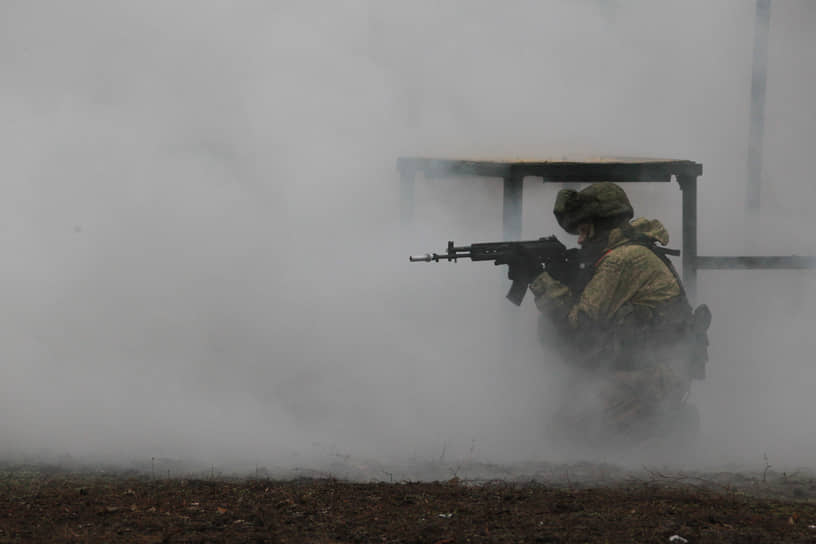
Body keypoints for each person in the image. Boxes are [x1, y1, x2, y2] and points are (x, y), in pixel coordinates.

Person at [507, 182, 709, 446]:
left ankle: (662, 427)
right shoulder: (631, 251)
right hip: (650, 370)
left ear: (601, 225)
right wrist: (563, 277)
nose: (580, 240)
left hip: (654, 378)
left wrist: (539, 279)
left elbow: (578, 327)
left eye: (584, 231)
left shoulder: (624, 259)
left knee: (571, 435)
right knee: (566, 420)